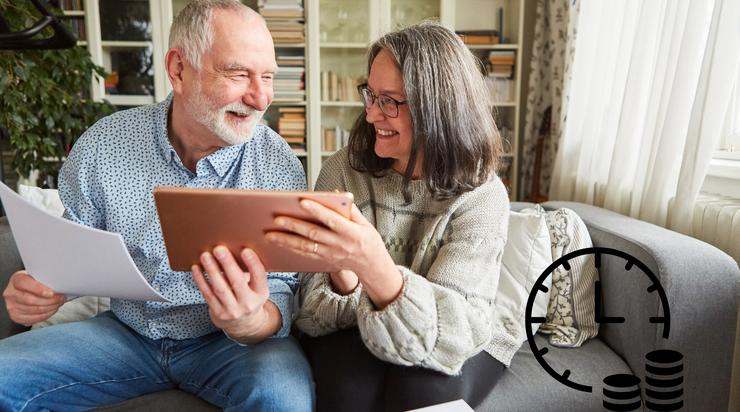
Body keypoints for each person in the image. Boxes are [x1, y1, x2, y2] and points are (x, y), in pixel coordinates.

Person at [0, 1, 313, 410]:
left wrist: (252, 321)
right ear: (179, 70)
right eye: (239, 75)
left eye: (268, 77)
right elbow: (72, 252)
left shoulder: (277, 163)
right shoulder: (104, 144)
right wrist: (44, 289)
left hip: (230, 346)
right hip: (127, 335)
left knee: (282, 399)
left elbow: (286, 286)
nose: (260, 98)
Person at [265, 22, 513, 411]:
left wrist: (375, 266)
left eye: (390, 101)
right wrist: (344, 278)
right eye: (370, 95)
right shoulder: (341, 173)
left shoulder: (482, 195)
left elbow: (450, 336)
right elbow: (311, 317)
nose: (372, 114)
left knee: (422, 391)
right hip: (359, 330)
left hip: (456, 336)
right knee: (346, 389)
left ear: (438, 108)